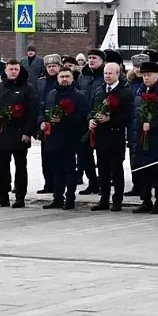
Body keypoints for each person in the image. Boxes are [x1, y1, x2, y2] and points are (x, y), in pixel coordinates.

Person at [0, 59, 39, 208]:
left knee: (20, 166)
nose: (13, 72)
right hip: (2, 133)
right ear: (6, 70)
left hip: (20, 133)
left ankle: (20, 197)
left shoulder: (28, 88)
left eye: (16, 69)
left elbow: (33, 112)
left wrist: (28, 132)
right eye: (11, 69)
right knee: (3, 166)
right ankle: (3, 196)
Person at [40, 66, 90, 210]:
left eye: (67, 77)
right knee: (56, 169)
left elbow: (82, 117)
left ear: (72, 78)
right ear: (57, 78)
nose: (64, 79)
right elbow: (43, 110)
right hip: (54, 138)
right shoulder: (52, 94)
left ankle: (70, 198)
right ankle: (57, 197)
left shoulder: (79, 96)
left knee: (69, 170)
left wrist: (64, 119)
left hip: (71, 138)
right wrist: (42, 121)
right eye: (61, 77)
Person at [129, 61, 158, 214]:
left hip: (157, 138)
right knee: (143, 170)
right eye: (144, 75)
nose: (146, 78)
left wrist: (153, 125)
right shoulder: (140, 90)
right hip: (141, 137)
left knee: (156, 171)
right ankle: (146, 200)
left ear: (157, 75)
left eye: (149, 75)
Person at [90, 62, 134, 211]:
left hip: (116, 136)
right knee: (102, 170)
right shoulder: (100, 90)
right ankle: (104, 199)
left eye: (110, 73)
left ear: (117, 74)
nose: (107, 76)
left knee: (116, 169)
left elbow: (128, 116)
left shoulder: (125, 92)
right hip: (101, 136)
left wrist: (111, 119)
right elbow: (92, 109)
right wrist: (91, 120)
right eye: (105, 73)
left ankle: (117, 200)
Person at [76, 49, 106, 194]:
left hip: (100, 121)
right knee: (84, 155)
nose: (91, 60)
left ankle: (102, 183)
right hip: (83, 122)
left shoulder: (105, 75)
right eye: (89, 58)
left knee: (101, 156)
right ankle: (92, 182)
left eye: (94, 58)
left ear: (101, 60)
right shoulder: (83, 76)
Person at [36, 55, 62, 195]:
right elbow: (38, 103)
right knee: (45, 156)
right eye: (49, 66)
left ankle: (58, 185)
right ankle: (48, 183)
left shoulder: (63, 80)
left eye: (54, 66)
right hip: (45, 125)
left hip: (59, 124)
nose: (52, 69)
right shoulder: (41, 82)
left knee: (57, 158)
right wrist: (40, 121)